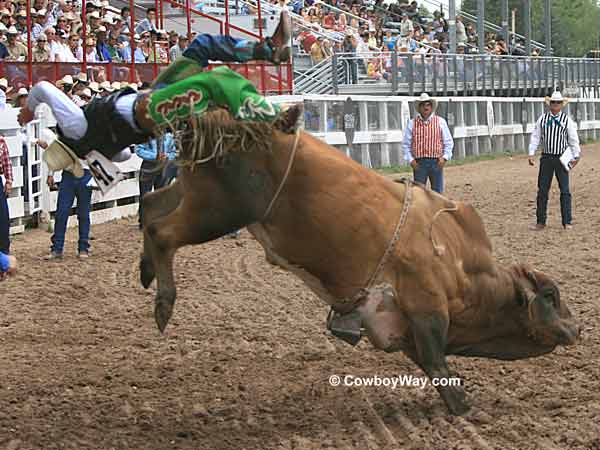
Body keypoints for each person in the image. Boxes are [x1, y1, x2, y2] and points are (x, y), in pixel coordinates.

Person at [17, 11, 292, 178]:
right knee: (214, 81)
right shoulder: (75, 129)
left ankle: (270, 50)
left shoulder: (101, 151)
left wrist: (93, 152)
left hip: (151, 105)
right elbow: (42, 89)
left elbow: (125, 155)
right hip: (148, 107)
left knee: (202, 47)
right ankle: (274, 117)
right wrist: (29, 109)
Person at [528, 91, 581, 231]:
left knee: (565, 190)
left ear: (561, 105)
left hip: (562, 158)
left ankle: (567, 221)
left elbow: (573, 139)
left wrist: (576, 155)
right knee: (542, 190)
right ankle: (540, 221)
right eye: (553, 102)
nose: (555, 105)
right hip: (546, 157)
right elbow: (536, 136)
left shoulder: (567, 120)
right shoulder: (542, 119)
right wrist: (531, 153)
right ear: (549, 104)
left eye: (557, 102)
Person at [403, 93, 454, 194]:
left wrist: (444, 158)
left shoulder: (440, 122)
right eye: (423, 105)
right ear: (419, 107)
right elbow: (406, 144)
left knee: (437, 192)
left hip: (436, 162)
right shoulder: (412, 123)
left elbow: (448, 142)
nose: (426, 107)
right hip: (419, 163)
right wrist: (411, 160)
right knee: (418, 193)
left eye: (428, 105)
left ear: (431, 107)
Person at [135, 133, 177, 229]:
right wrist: (155, 156)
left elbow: (173, 152)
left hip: (164, 167)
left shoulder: (169, 137)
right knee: (145, 194)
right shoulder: (146, 136)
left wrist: (167, 157)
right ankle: (144, 221)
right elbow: (138, 150)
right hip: (148, 167)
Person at [0, 133, 12, 255]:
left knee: (3, 216)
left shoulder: (1, 140)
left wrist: (8, 181)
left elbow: (6, 161)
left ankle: (4, 249)